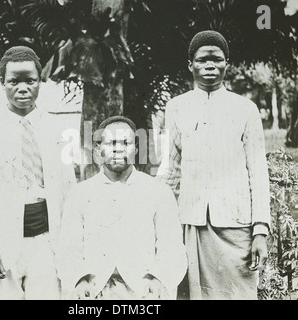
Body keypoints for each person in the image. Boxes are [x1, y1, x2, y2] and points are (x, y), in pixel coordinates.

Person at [157, 30, 271, 300]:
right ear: (190, 65)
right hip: (192, 225)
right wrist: (156, 218)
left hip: (236, 230)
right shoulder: (176, 108)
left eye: (217, 59)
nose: (210, 65)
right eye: (202, 60)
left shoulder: (246, 109)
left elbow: (258, 173)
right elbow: (170, 170)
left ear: (226, 63)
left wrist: (260, 232)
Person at [0, 46, 76, 300]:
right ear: (2, 83)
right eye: (14, 81)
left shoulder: (57, 129)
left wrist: (70, 246)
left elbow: (69, 190)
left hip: (48, 243)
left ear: (40, 82)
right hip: (2, 245)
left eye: (30, 81)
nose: (23, 88)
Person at [56, 116, 187, 300]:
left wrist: (158, 279)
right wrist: (80, 280)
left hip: (143, 289)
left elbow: (172, 247)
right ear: (98, 148)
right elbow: (68, 248)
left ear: (136, 149)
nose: (118, 149)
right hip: (94, 289)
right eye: (110, 143)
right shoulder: (80, 194)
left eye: (126, 143)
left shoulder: (158, 191)